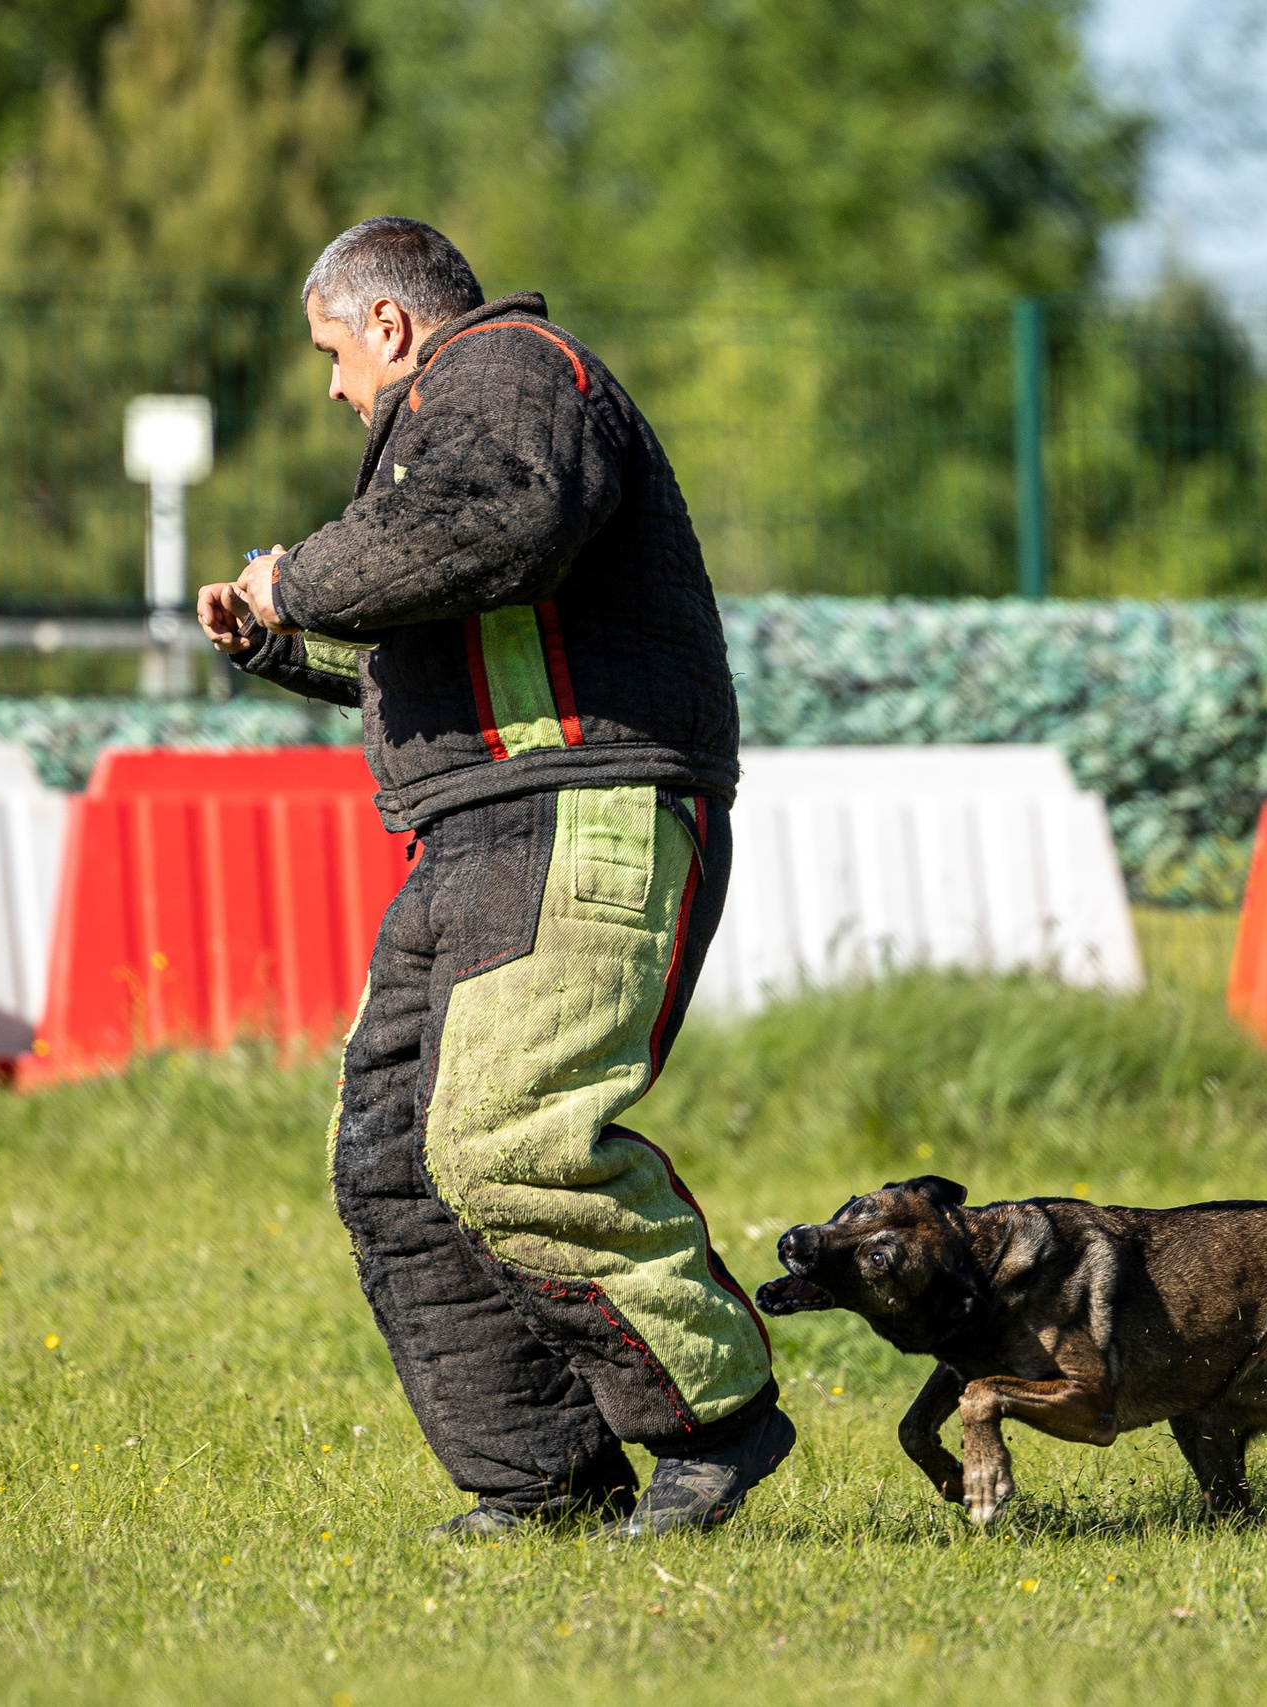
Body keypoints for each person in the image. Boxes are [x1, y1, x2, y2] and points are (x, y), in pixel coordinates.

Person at [196, 217, 790, 1539]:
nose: (334, 385)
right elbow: (442, 635)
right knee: (396, 1163)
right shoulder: (456, 428)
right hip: (479, 828)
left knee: (506, 1135)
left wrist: (294, 575)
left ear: (392, 326)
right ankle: (543, 1480)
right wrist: (280, 642)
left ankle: (717, 1413)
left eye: (333, 353)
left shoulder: (511, 367)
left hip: (580, 814)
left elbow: (495, 525)